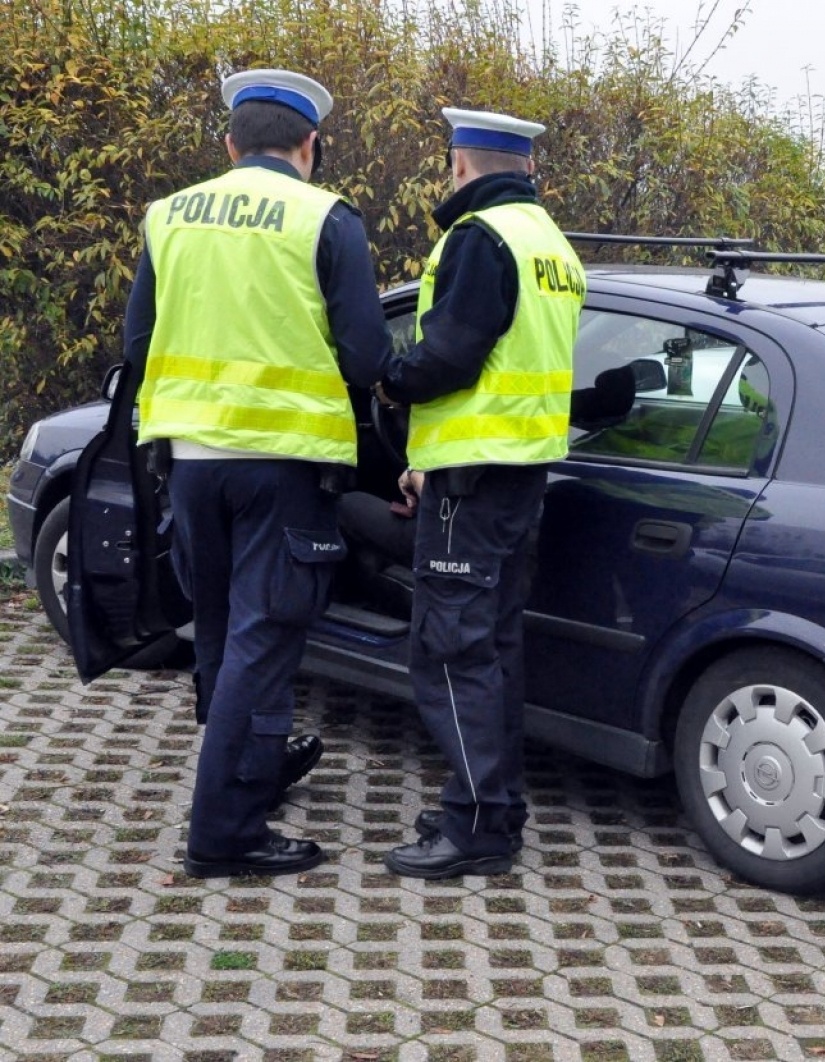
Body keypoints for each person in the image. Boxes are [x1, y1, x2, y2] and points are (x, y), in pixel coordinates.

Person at [124, 69, 392, 877]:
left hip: (191, 464)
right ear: (310, 145)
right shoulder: (326, 218)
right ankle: (225, 834)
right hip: (283, 466)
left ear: (230, 144)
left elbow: (137, 345)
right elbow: (367, 356)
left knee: (221, 634)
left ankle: (251, 774)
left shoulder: (168, 216)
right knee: (263, 639)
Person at [375, 107, 585, 879]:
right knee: (492, 651)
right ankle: (493, 807)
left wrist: (389, 379)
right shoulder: (550, 244)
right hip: (519, 475)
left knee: (450, 654)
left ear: (461, 165)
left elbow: (449, 357)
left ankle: (476, 831)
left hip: (470, 485)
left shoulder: (479, 237)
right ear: (527, 168)